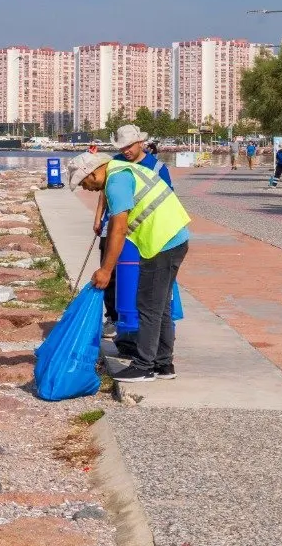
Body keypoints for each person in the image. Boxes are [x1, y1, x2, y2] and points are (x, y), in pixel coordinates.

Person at [71, 150, 192, 382]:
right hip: (171, 238)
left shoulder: (117, 182)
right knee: (161, 306)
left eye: (83, 182)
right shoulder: (122, 172)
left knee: (147, 305)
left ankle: (144, 366)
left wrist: (106, 270)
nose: (85, 188)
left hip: (163, 241)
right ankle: (163, 364)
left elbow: (117, 228)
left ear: (93, 173)